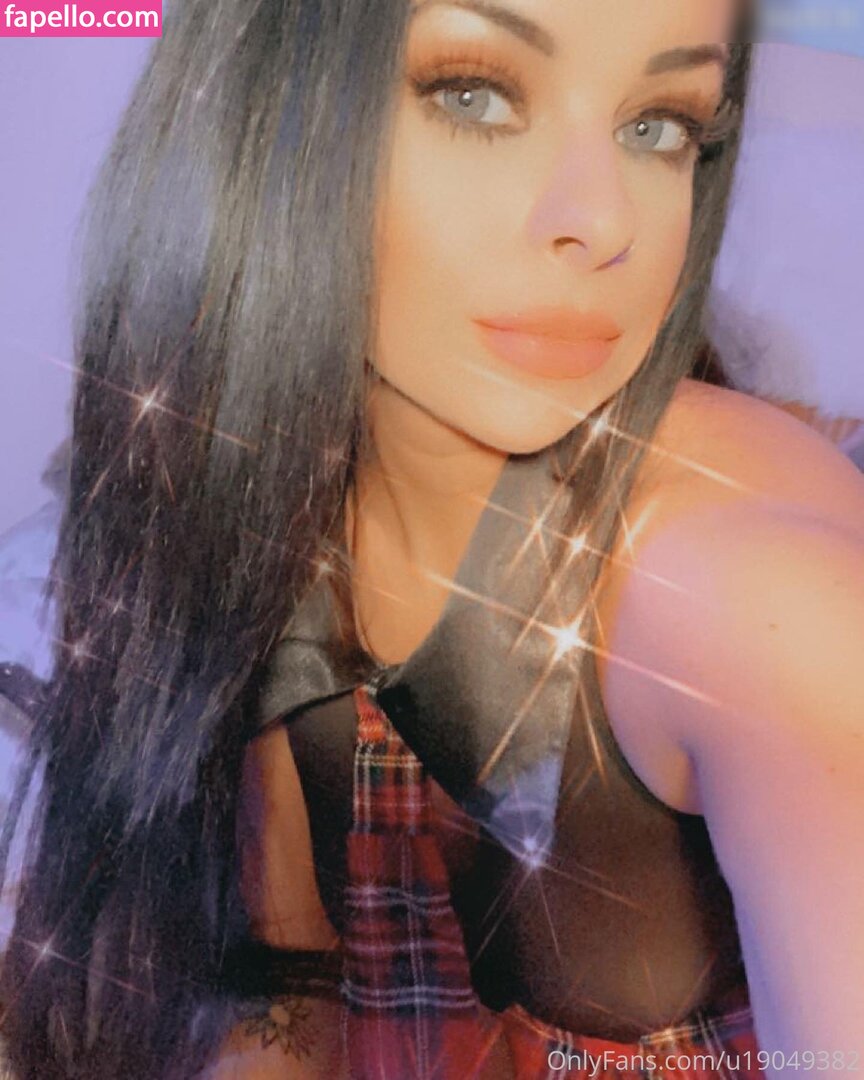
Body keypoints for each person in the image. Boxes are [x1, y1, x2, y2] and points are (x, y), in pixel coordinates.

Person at [1, 1, 863, 1077]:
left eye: (660, 126)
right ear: (266, 113)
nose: (605, 221)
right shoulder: (242, 502)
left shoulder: (759, 594)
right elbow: (279, 1005)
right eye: (474, 94)